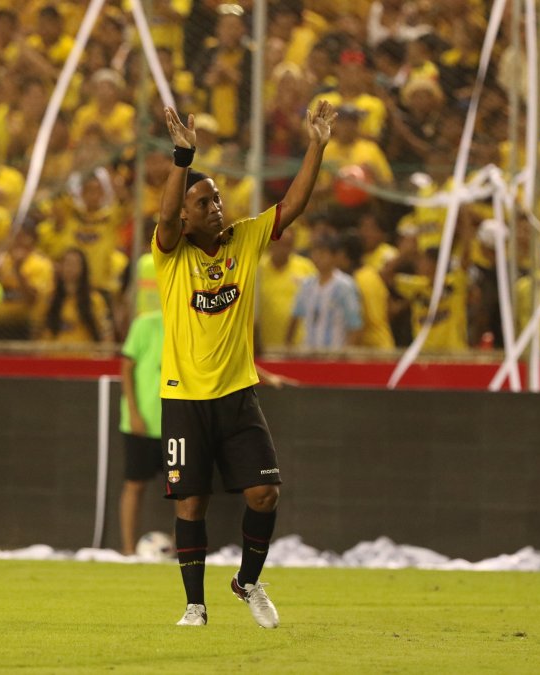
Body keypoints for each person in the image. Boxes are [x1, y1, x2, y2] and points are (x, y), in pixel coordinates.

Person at [155, 101, 335, 628]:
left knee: (264, 492)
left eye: (216, 198)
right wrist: (182, 158)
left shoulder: (246, 239)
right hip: (184, 397)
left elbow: (295, 202)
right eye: (203, 201)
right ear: (187, 216)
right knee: (190, 504)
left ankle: (248, 580)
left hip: (237, 393)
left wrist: (317, 145)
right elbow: (164, 217)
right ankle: (194, 606)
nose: (216, 206)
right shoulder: (171, 254)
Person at [119, 309, 164, 555]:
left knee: (186, 492)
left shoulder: (195, 324)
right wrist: (134, 413)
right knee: (134, 485)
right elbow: (126, 368)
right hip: (142, 422)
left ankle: (182, 552)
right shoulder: (146, 324)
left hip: (178, 425)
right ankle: (128, 551)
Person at [286, 234, 363, 349]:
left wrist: (346, 354)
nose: (317, 258)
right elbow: (295, 318)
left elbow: (355, 326)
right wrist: (288, 345)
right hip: (308, 354)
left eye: (322, 253)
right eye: (315, 253)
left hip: (335, 355)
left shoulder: (345, 286)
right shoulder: (307, 285)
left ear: (335, 256)